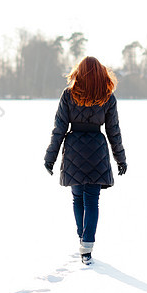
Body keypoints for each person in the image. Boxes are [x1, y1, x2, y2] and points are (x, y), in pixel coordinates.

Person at [44, 56, 127, 265]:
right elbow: (113, 131)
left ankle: (82, 238)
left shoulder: (68, 95)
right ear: (101, 73)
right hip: (97, 151)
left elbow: (59, 129)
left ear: (78, 73)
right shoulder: (107, 97)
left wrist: (50, 157)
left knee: (77, 199)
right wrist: (120, 158)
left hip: (73, 150)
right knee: (92, 200)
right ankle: (87, 245)